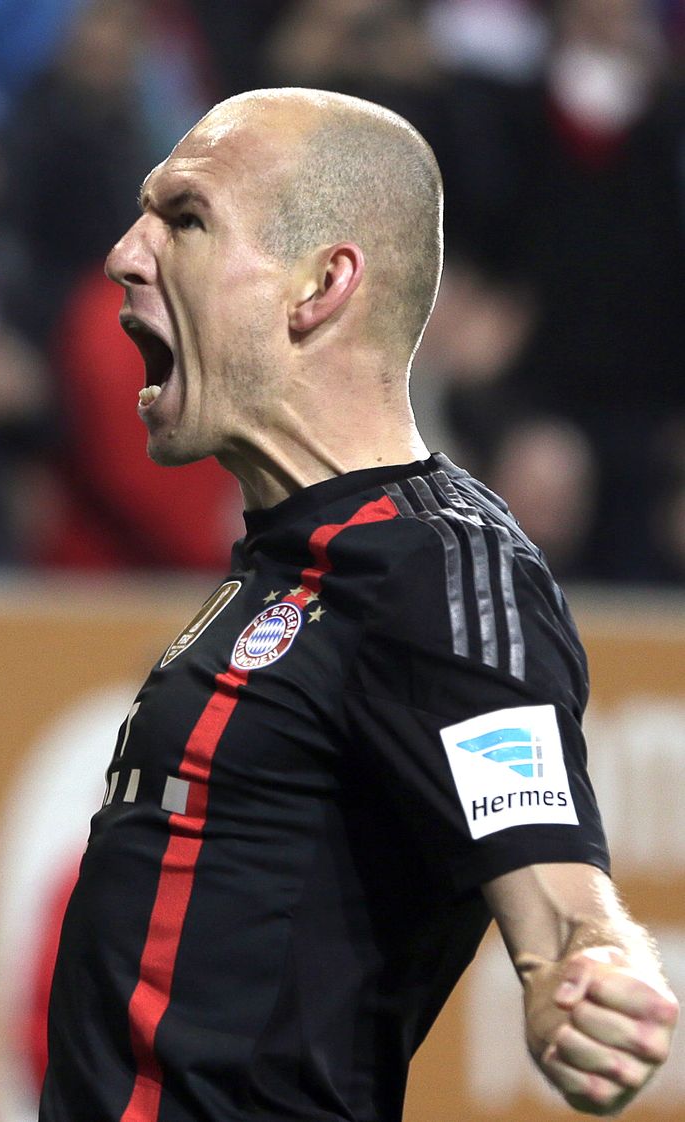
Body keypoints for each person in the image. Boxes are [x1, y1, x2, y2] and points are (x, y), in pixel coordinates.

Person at [39, 88, 678, 1122]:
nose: (125, 252)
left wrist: (593, 970)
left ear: (319, 285)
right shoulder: (288, 560)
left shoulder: (438, 569)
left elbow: (555, 888)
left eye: (186, 219)